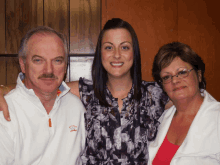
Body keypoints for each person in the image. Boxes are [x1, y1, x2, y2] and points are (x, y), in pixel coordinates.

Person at [0, 18, 169, 164]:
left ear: (134, 52)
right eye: (109, 47)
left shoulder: (155, 94)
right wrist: (4, 89)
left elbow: (189, 95)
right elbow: (43, 84)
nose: (117, 55)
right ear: (100, 53)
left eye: (124, 47)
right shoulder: (86, 93)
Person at [0, 26, 86, 164]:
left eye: (57, 60)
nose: (48, 70)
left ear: (65, 67)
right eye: (38, 60)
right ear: (23, 64)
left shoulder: (77, 108)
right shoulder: (5, 111)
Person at [148, 41, 220, 165]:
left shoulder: (217, 117)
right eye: (166, 77)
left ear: (199, 75)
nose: (175, 80)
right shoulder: (159, 118)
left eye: (182, 72)